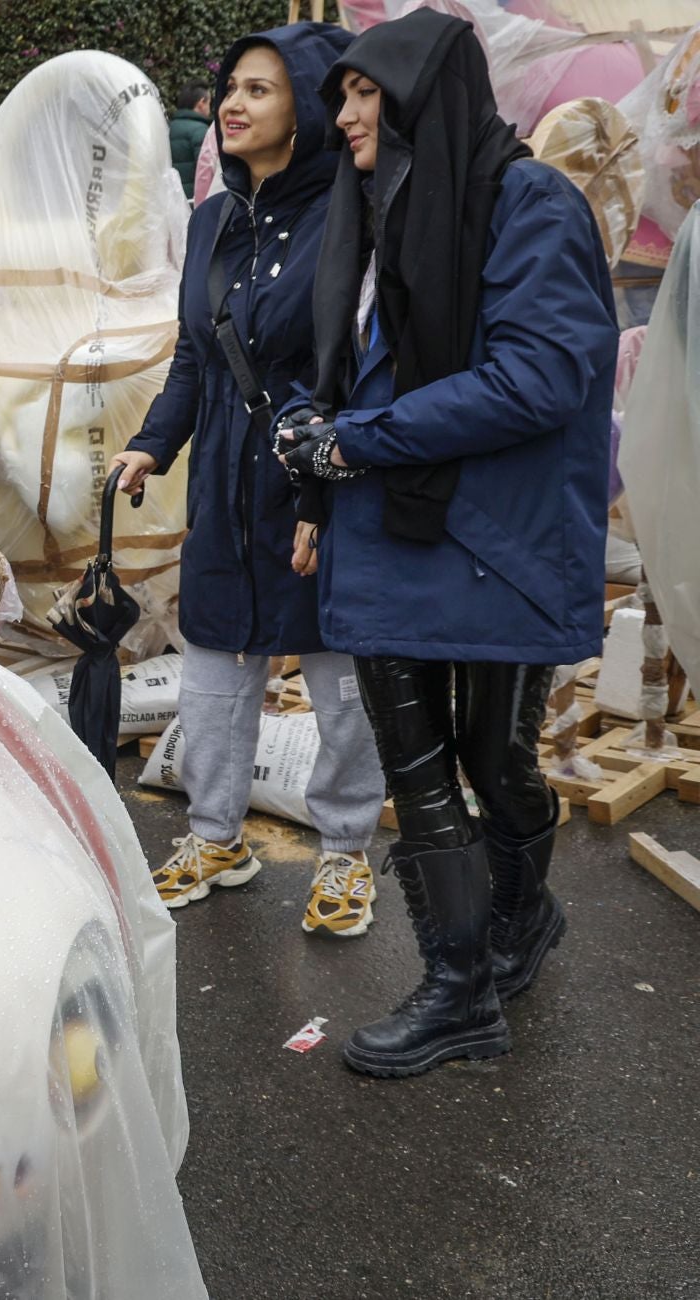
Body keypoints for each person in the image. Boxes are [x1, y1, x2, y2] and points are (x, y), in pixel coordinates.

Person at [277, 8, 617, 1077]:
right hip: (398, 530)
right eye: (341, 94)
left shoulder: (528, 203)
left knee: (492, 760)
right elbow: (363, 369)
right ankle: (461, 985)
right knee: (419, 767)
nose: (346, 112)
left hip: (494, 537)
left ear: (429, 93)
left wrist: (353, 442)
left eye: (367, 91)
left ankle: (520, 916)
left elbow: (542, 375)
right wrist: (310, 431)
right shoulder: (384, 210)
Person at [112, 23, 385, 938]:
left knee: (337, 674)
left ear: (304, 107)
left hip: (318, 479)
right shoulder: (212, 221)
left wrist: (317, 473)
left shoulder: (353, 216)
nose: (232, 103)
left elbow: (350, 361)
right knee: (215, 662)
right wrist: (153, 442)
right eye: (231, 86)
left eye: (260, 90)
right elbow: (196, 354)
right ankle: (214, 834)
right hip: (225, 478)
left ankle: (346, 851)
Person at [169, 79, 211, 199]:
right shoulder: (200, 131)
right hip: (193, 201)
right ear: (201, 103)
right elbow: (206, 173)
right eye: (209, 103)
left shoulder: (168, 128)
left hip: (171, 200)